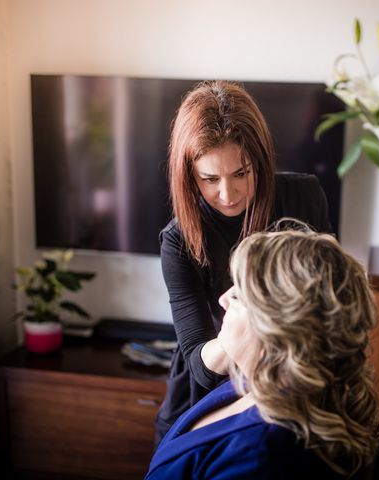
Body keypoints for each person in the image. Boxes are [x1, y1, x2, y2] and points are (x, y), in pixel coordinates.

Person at [156, 80, 332, 444]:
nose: (227, 194)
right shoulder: (178, 242)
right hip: (208, 394)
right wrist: (244, 319)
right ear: (188, 175)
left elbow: (331, 309)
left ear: (261, 161)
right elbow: (202, 367)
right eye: (209, 179)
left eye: (241, 173)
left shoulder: (305, 198)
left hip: (296, 388)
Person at [145, 228, 379, 479]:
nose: (223, 300)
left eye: (239, 295)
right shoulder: (253, 380)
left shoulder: (262, 457)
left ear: (274, 324)